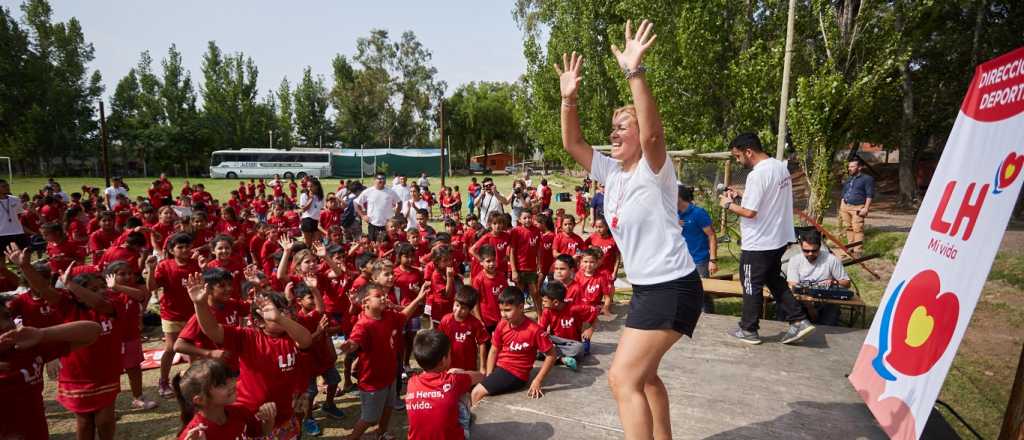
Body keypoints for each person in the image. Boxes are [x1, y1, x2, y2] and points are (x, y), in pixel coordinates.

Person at [555, 20, 705, 440]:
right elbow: (573, 144)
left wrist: (634, 72)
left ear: (640, 135)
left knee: (623, 379)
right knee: (646, 377)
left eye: (623, 126)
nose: (614, 132)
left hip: (672, 286)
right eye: (613, 127)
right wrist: (568, 100)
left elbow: (655, 134)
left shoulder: (655, 170)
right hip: (647, 289)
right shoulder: (612, 172)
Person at [719, 132, 815, 346]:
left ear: (748, 152)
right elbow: (767, 199)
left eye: (737, 156)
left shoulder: (757, 175)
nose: (738, 161)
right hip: (778, 238)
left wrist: (728, 204)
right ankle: (799, 320)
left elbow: (750, 212)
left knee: (750, 283)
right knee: (773, 279)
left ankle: (748, 329)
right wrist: (741, 196)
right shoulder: (780, 167)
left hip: (759, 242)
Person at [338, 282, 429, 440]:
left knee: (388, 407)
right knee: (369, 418)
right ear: (365, 302)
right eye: (378, 296)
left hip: (389, 375)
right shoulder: (363, 325)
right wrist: (350, 345)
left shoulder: (388, 315)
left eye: (384, 295)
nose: (384, 298)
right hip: (372, 382)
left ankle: (381, 433)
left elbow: (403, 316)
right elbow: (355, 342)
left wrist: (418, 298)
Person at [0, 310, 102, 440]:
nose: (6, 325)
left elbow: (93, 331)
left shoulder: (26, 349)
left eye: (7, 316)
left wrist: (42, 334)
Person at [470, 288, 557, 405]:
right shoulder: (502, 324)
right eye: (501, 310)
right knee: (466, 378)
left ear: (521, 307)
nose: (503, 314)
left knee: (476, 393)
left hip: (515, 373)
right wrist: (489, 375)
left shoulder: (534, 330)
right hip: (500, 368)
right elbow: (494, 350)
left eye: (507, 310)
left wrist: (537, 380)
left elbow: (552, 355)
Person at [406, 329, 484, 440]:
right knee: (463, 395)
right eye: (450, 353)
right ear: (443, 360)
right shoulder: (453, 381)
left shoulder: (411, 383)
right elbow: (480, 376)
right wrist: (457, 373)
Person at [172, 359, 277, 440]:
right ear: (199, 400)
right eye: (221, 384)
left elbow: (260, 432)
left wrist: (269, 419)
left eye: (229, 379)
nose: (232, 385)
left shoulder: (240, 411)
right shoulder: (195, 435)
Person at [786, 232, 851, 326]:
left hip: (826, 301)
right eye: (806, 251)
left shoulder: (831, 259)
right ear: (801, 247)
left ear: (820, 247)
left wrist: (834, 282)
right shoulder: (795, 260)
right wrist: (810, 307)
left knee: (830, 314)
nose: (810, 254)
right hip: (802, 300)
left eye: (814, 251)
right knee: (787, 305)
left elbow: (847, 283)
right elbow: (793, 286)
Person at [677, 185, 718, 313]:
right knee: (683, 292)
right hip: (680, 261)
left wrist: (713, 260)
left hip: (699, 260)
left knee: (702, 293)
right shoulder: (673, 214)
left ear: (678, 197)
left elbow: (711, 236)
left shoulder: (698, 213)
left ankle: (709, 317)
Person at [538, 281, 597, 371]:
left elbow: (594, 311)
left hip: (572, 344)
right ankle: (562, 359)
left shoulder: (575, 308)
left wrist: (590, 329)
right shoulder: (547, 311)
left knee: (579, 349)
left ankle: (552, 356)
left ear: (556, 302)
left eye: (545, 301)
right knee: (533, 345)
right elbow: (541, 329)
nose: (542, 303)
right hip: (555, 341)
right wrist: (542, 336)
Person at [839, 158, 874, 258]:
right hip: (845, 206)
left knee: (858, 228)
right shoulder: (849, 178)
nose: (850, 168)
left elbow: (869, 195)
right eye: (849, 166)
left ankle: (858, 251)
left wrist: (866, 208)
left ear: (860, 167)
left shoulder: (867, 179)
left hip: (858, 207)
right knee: (848, 227)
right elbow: (844, 191)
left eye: (852, 166)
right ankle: (850, 248)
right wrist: (842, 202)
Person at [356, 174, 401, 242]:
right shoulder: (368, 191)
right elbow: (356, 203)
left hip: (387, 225)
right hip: (373, 224)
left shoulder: (391, 192)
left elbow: (399, 202)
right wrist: (363, 216)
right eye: (379, 179)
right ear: (374, 180)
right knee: (373, 244)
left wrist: (396, 216)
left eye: (383, 178)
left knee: (388, 243)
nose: (382, 180)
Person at [0, 179, 28, 263]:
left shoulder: (15, 199)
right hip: (1, 234)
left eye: (7, 185)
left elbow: (19, 214)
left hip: (17, 232)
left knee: (22, 258)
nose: (7, 187)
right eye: (4, 186)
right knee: (1, 260)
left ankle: (22, 271)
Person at [299, 177, 325, 246]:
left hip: (317, 221)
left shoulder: (320, 196)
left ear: (317, 186)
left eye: (311, 186)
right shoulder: (304, 195)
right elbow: (303, 209)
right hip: (307, 220)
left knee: (317, 243)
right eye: (308, 186)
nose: (309, 188)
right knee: (308, 244)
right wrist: (310, 199)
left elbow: (322, 208)